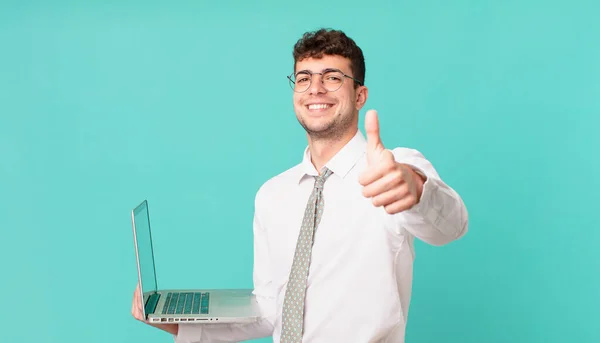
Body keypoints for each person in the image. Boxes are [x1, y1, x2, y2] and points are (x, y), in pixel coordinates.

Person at [131, 28, 468, 343]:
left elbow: (451, 226)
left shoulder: (391, 170)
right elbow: (267, 310)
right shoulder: (272, 195)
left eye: (333, 78)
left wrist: (416, 190)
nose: (315, 89)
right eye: (304, 78)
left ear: (360, 94)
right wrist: (181, 324)